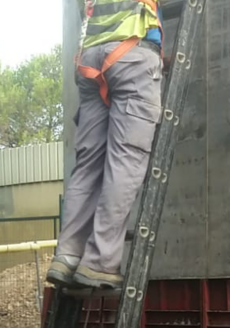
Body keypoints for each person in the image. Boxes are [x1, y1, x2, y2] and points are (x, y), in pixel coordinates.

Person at [47, 0, 164, 290]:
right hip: (131, 56)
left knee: (87, 167)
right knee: (125, 162)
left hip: (91, 60)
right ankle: (99, 263)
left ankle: (67, 255)